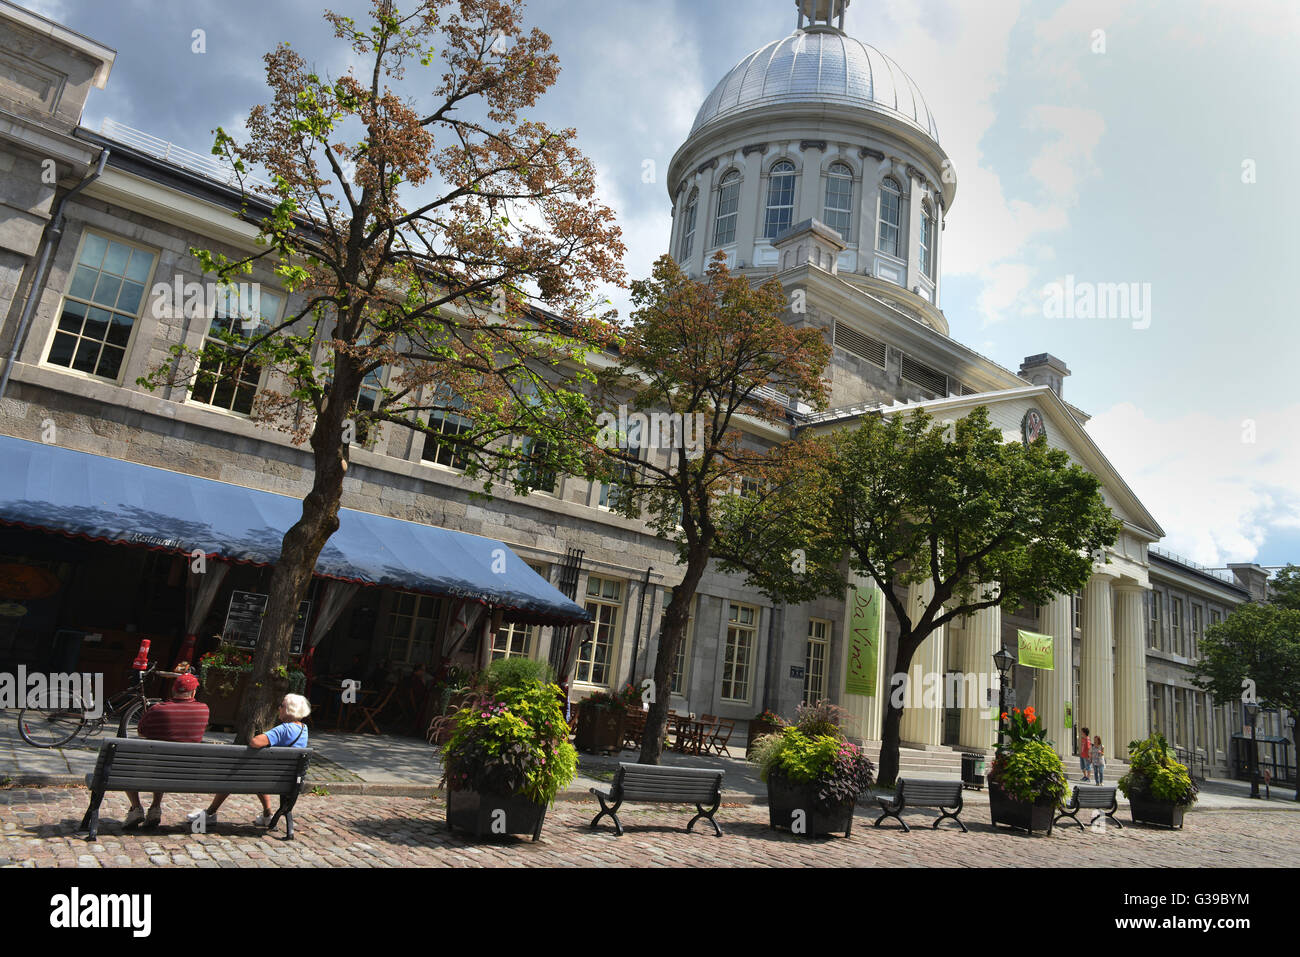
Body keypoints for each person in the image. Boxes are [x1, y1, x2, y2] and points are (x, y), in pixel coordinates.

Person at [192, 694, 310, 828]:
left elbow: (255, 742)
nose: (279, 708)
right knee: (253, 772)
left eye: (281, 706)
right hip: (287, 780)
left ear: (290, 710)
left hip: (272, 779)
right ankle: (267, 815)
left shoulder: (285, 729)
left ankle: (209, 813)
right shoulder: (303, 729)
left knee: (234, 775)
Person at [124, 672, 210, 830]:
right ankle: (155, 807)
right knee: (164, 763)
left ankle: (136, 807)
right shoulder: (204, 710)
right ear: (193, 692)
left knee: (126, 764)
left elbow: (141, 732)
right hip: (186, 773)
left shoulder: (158, 709)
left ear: (173, 690)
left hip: (155, 768)